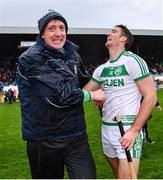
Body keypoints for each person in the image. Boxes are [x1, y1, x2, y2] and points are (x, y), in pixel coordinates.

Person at [16, 10, 105, 179]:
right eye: (51, 28)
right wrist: (92, 96)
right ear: (42, 34)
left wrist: (100, 86)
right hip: (44, 139)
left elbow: (84, 83)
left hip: (76, 135)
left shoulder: (72, 55)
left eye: (62, 28)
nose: (58, 33)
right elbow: (59, 96)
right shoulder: (30, 58)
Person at [83, 24, 157, 179]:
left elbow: (151, 97)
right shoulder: (101, 69)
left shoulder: (133, 61)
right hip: (106, 128)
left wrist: (135, 131)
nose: (108, 33)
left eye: (114, 31)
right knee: (117, 174)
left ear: (124, 38)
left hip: (127, 128)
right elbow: (84, 92)